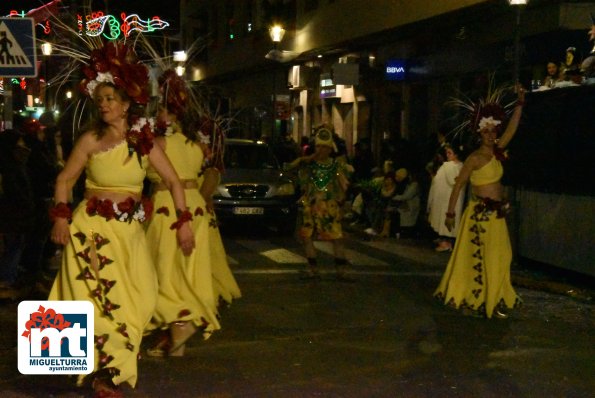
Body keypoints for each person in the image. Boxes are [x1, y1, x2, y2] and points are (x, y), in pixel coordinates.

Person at [48, 42, 195, 397]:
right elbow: (65, 180)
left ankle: (107, 364)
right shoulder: (90, 139)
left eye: (110, 98)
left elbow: (174, 182)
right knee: (95, 298)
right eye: (100, 100)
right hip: (91, 230)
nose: (104, 105)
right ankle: (107, 374)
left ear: (127, 103)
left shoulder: (144, 141)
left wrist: (184, 222)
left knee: (141, 298)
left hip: (129, 232)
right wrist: (62, 218)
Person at [144, 69, 240, 357]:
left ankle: (181, 325)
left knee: (165, 271)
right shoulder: (197, 145)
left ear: (171, 114)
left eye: (161, 110)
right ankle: (177, 339)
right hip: (195, 206)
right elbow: (209, 174)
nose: (157, 115)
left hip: (169, 207)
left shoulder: (156, 144)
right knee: (187, 271)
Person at [434, 85, 526, 319]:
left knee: (501, 255)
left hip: (496, 214)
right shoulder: (474, 159)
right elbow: (459, 185)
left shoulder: (498, 151)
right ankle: (481, 300)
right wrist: (451, 212)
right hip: (479, 215)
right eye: (486, 132)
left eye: (493, 131)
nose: (491, 135)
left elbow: (513, 129)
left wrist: (519, 105)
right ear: (479, 133)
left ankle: (493, 297)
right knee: (481, 257)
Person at [286, 126, 353, 281]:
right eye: (318, 146)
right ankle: (313, 269)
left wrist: (341, 199)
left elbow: (344, 183)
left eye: (324, 147)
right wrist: (306, 158)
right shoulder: (309, 164)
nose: (321, 150)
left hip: (329, 206)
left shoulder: (336, 165)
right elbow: (290, 168)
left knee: (337, 238)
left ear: (330, 149)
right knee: (307, 237)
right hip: (310, 204)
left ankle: (341, 271)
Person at [426, 144, 464, 252]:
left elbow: (452, 181)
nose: (447, 155)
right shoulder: (459, 166)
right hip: (445, 198)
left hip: (448, 198)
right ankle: (447, 241)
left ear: (456, 154)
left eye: (450, 153)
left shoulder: (449, 166)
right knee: (444, 219)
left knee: (446, 219)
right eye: (446, 153)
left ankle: (447, 243)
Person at [389, 168, 421, 239]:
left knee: (407, 223)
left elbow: (406, 196)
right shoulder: (407, 185)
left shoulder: (414, 185)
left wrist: (394, 197)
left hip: (410, 207)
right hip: (404, 206)